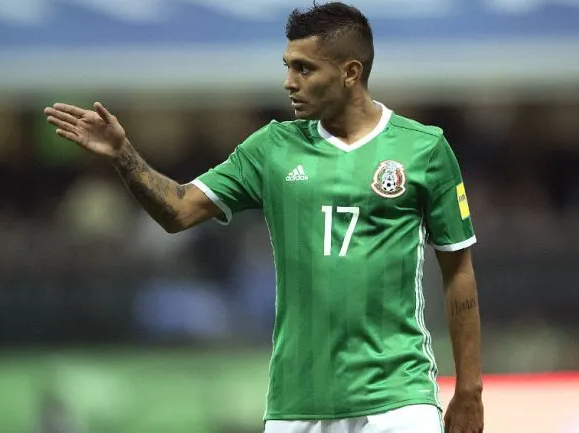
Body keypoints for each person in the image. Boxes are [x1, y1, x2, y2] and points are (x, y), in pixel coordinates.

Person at [43, 2, 484, 433]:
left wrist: (469, 390)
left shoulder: (424, 149)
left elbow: (457, 270)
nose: (289, 82)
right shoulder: (270, 149)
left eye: (305, 69)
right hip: (298, 401)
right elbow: (177, 211)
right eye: (288, 66)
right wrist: (124, 156)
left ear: (351, 72)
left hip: (398, 398)